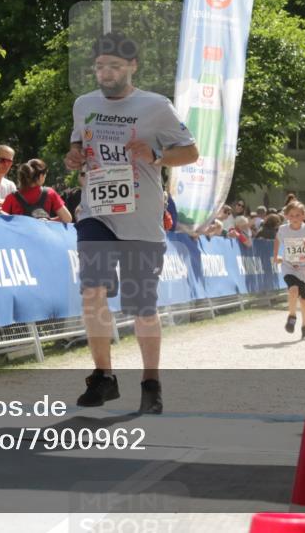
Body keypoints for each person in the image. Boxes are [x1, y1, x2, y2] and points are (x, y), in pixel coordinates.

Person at [64, 31, 198, 415]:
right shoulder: (84, 103)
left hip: (141, 218)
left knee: (142, 308)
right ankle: (103, 376)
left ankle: (150, 381)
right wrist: (74, 157)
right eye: (100, 66)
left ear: (132, 67)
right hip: (97, 212)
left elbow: (190, 151)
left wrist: (156, 154)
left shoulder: (156, 106)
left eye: (115, 67)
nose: (105, 73)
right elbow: (79, 145)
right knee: (92, 291)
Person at [274, 200, 305, 339]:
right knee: (293, 290)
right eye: (292, 215)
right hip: (289, 266)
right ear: (287, 216)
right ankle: (292, 316)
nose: (295, 218)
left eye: (298, 215)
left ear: (303, 216)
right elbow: (277, 240)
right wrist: (276, 255)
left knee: (304, 301)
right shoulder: (283, 229)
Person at [2, 158, 71, 223]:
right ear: (41, 176)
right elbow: (67, 219)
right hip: (41, 234)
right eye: (45, 175)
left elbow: (1, 221)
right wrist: (47, 221)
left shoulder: (11, 197)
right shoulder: (50, 193)